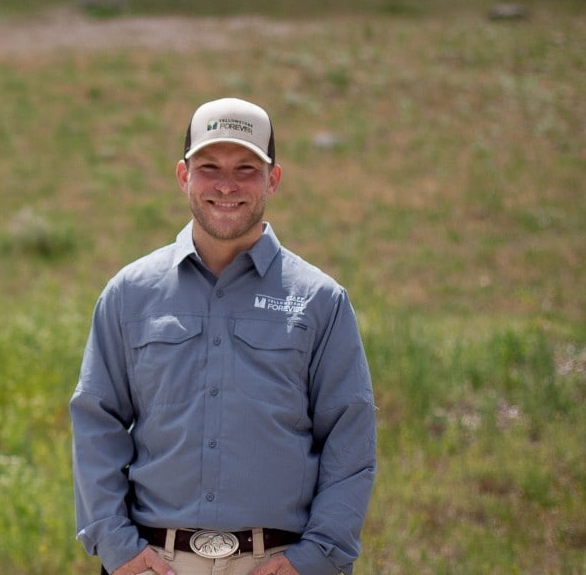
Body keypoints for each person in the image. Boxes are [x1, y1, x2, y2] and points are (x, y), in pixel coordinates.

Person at [70, 98, 376, 575]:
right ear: (182, 176)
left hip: (280, 564)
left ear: (273, 179)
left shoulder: (320, 300)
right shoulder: (129, 294)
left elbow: (350, 437)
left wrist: (317, 557)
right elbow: (96, 422)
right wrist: (116, 545)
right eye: (209, 166)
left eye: (246, 168)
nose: (227, 184)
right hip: (155, 563)